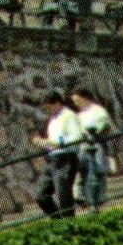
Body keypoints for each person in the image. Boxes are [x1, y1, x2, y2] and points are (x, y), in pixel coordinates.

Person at [33, 90, 83, 218]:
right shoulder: (53, 119)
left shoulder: (69, 115)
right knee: (41, 194)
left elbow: (77, 136)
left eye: (49, 106)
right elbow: (52, 140)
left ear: (57, 103)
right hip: (53, 159)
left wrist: (58, 142)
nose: (47, 109)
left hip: (66, 158)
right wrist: (44, 142)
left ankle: (69, 223)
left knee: (63, 194)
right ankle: (58, 221)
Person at [70, 87, 115, 211]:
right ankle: (81, 197)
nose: (76, 104)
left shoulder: (99, 111)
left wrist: (88, 132)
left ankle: (98, 200)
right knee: (82, 171)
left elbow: (102, 126)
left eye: (77, 100)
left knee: (97, 170)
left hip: (97, 144)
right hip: (82, 146)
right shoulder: (79, 115)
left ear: (85, 98)